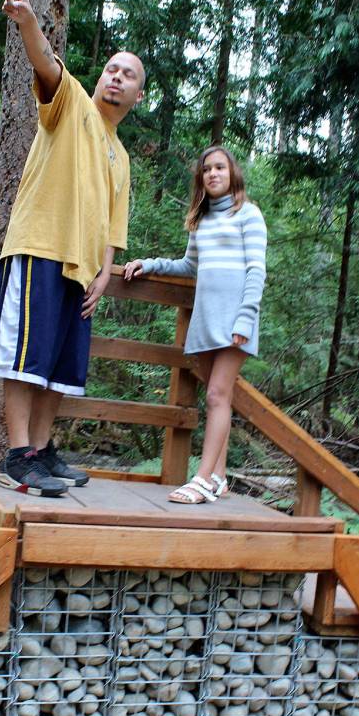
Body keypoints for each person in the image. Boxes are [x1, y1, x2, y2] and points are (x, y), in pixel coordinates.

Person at [0, 0, 145, 497]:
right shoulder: (71, 105)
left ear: (138, 95)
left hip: (82, 268)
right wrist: (28, 23)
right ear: (98, 80)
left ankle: (43, 452)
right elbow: (46, 63)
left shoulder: (122, 157)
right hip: (40, 247)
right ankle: (18, 454)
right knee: (26, 359)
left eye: (129, 75)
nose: (116, 77)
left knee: (59, 368)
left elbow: (114, 223)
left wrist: (105, 271)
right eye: (112, 69)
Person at [123, 147, 266, 504]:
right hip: (205, 318)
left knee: (218, 394)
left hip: (236, 317)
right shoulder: (200, 219)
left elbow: (256, 270)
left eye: (220, 167)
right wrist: (150, 264)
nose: (213, 174)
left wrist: (246, 316)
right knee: (218, 396)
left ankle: (201, 480)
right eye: (206, 170)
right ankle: (217, 476)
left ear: (232, 172)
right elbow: (189, 266)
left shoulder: (248, 214)